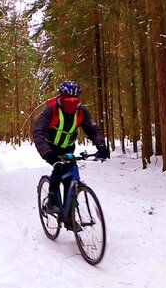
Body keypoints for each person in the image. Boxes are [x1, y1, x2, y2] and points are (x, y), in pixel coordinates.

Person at [32, 81, 109, 229]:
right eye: (68, 100)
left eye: (75, 100)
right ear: (62, 98)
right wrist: (47, 154)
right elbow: (38, 131)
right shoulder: (51, 110)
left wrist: (101, 146)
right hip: (51, 147)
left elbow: (93, 130)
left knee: (70, 178)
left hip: (68, 147)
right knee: (59, 168)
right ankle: (52, 202)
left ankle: (68, 217)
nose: (72, 103)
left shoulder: (81, 112)